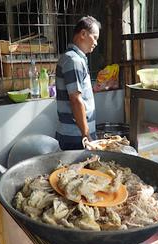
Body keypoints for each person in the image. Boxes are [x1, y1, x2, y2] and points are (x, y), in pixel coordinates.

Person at [55, 16, 101, 150]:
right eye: (95, 37)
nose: (96, 43)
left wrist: (92, 89)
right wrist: (86, 135)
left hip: (77, 135)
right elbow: (75, 99)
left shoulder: (74, 58)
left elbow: (77, 92)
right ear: (83, 34)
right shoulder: (73, 60)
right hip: (76, 137)